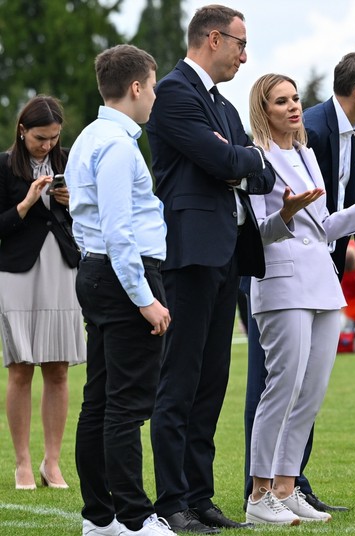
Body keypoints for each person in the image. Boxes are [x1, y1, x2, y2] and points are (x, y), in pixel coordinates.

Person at [243, 73, 355, 525]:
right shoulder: (256, 159)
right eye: (281, 101)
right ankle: (258, 496)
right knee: (281, 387)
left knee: (310, 393)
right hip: (280, 284)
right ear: (265, 109)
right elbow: (256, 234)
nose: (293, 107)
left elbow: (324, 228)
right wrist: (286, 213)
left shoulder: (306, 153)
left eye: (296, 98)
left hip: (321, 283)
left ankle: (285, 485)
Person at [145, 5, 276, 533]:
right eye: (241, 45)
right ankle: (171, 501)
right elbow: (228, 162)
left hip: (227, 254)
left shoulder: (220, 104)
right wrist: (235, 159)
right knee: (179, 382)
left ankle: (200, 497)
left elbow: (260, 169)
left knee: (212, 383)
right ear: (214, 39)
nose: (245, 56)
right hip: (189, 253)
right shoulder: (175, 93)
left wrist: (236, 158)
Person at [68, 44, 175, 536]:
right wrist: (144, 298)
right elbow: (118, 231)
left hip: (98, 271)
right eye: (152, 86)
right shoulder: (116, 145)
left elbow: (83, 223)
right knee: (126, 405)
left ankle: (101, 517)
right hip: (121, 274)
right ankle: (134, 519)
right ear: (136, 87)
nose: (154, 96)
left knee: (101, 400)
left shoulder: (89, 137)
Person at [0, 95, 84, 491]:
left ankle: (52, 464)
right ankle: (21, 464)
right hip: (17, 271)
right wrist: (26, 204)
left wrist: (75, 202)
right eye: (39, 138)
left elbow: (94, 215)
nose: (47, 145)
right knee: (20, 369)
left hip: (63, 267)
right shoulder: (3, 166)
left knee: (59, 368)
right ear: (22, 130)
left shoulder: (71, 162)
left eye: (53, 138)